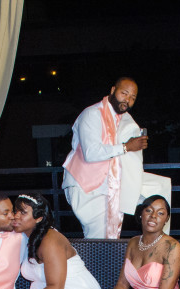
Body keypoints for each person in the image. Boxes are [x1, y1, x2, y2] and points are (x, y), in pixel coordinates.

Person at [62, 77, 171, 239]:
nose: (127, 100)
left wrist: (135, 146)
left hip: (111, 181)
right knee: (99, 239)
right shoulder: (91, 114)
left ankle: (159, 243)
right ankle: (97, 263)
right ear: (113, 90)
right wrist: (127, 147)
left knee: (160, 186)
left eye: (132, 97)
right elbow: (91, 153)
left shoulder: (124, 119)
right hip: (86, 186)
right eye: (124, 93)